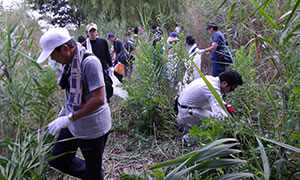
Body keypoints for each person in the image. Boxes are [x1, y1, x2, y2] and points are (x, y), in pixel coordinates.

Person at [36, 28, 111, 180]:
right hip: (73, 122)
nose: (52, 59)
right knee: (58, 159)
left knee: (93, 172)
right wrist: (64, 112)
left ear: (64, 49)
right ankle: (93, 173)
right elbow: (72, 92)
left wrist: (70, 117)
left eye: (52, 55)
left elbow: (98, 98)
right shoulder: (69, 63)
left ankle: (94, 173)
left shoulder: (89, 62)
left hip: (92, 128)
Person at [176, 70, 243, 136]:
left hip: (184, 107)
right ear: (224, 83)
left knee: (216, 111)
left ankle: (188, 126)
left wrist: (226, 105)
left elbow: (216, 101)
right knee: (220, 118)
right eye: (232, 89)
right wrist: (231, 124)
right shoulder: (213, 89)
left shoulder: (210, 79)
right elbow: (219, 115)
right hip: (187, 112)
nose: (231, 91)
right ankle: (188, 136)